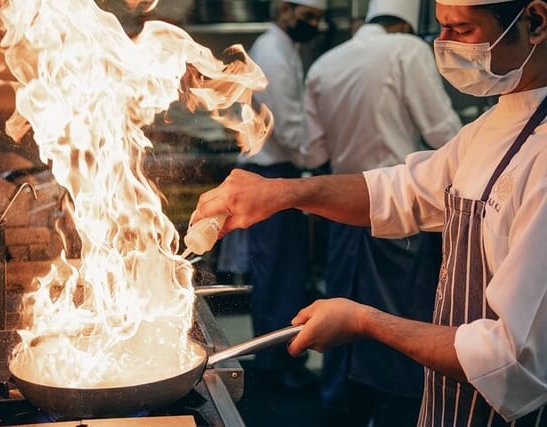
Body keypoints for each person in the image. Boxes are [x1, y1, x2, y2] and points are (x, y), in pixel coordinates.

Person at [192, 0, 547, 424]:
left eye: (463, 30)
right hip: (450, 407)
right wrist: (282, 192)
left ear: (536, 22)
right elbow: (400, 189)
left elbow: (513, 362)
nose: (444, 45)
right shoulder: (492, 126)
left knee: (383, 375)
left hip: (512, 414)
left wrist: (365, 321)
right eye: (441, 28)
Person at [299, 0, 462, 424]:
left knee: (336, 317)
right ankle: (396, 413)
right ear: (406, 21)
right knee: (395, 324)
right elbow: (444, 134)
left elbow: (312, 150)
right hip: (398, 215)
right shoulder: (407, 49)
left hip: (340, 210)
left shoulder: (323, 65)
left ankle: (339, 408)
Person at [231, 0, 326, 389]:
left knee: (282, 271)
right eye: (309, 16)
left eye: (318, 18)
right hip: (273, 173)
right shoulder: (273, 50)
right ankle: (277, 365)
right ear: (285, 9)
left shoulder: (284, 47)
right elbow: (286, 125)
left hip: (277, 170)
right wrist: (316, 162)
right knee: (279, 273)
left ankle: (280, 359)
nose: (314, 25)